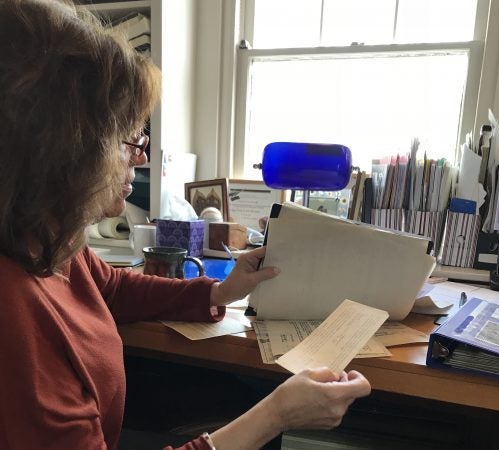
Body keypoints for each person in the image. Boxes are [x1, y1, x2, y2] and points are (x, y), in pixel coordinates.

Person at [0, 1, 371, 449]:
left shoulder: (49, 239)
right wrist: (278, 413)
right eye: (129, 140)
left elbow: (114, 289)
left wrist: (219, 292)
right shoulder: (15, 312)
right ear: (65, 152)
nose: (140, 156)